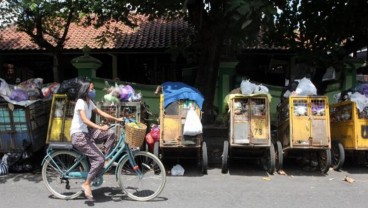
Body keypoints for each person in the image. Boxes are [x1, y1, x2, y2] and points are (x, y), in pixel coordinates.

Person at [70, 82, 123, 200]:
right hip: (79, 136)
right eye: (91, 89)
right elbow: (84, 120)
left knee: (111, 133)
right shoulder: (80, 102)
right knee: (99, 159)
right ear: (85, 91)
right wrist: (99, 127)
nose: (93, 91)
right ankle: (87, 183)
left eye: (93, 89)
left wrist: (116, 119)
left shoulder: (89, 102)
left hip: (88, 133)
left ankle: (105, 158)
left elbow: (101, 112)